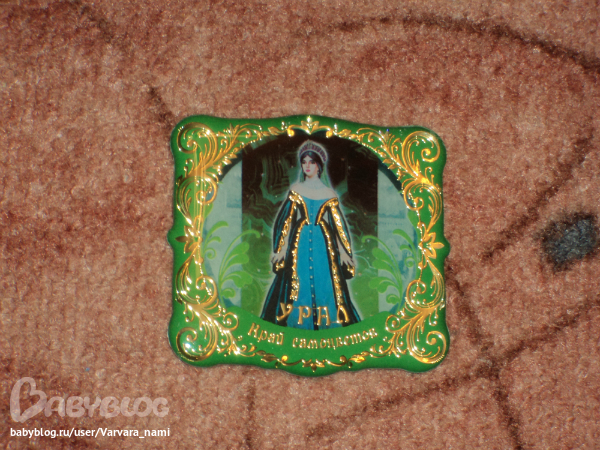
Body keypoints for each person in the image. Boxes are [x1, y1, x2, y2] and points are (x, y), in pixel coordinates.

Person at [260, 140, 361, 329]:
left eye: (312, 162)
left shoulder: (328, 193)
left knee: (326, 281)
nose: (307, 166)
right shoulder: (296, 190)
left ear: (319, 165)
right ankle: (298, 324)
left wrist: (344, 252)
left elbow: (338, 225)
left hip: (324, 244)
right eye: (304, 162)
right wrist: (281, 249)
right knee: (298, 280)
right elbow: (287, 220)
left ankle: (328, 325)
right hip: (300, 242)